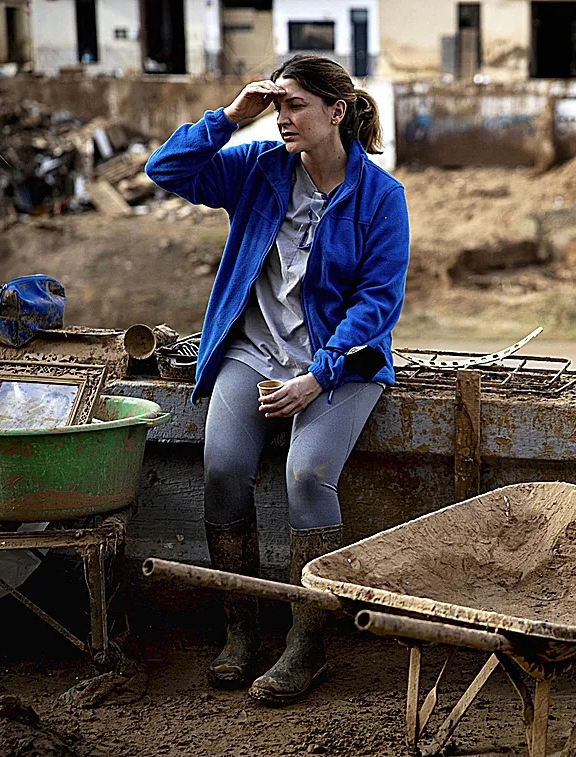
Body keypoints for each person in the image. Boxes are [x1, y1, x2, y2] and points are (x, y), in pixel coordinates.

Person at [145, 55, 409, 706]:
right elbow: (165, 170)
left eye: (295, 105)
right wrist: (231, 117)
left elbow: (377, 301)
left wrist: (318, 376)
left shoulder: (381, 195)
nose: (283, 117)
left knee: (306, 474)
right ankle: (240, 631)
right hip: (254, 353)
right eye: (277, 104)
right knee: (223, 468)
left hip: (341, 362)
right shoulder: (258, 169)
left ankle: (307, 642)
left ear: (335, 112)